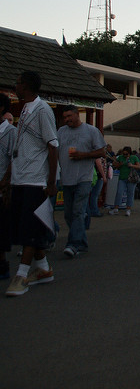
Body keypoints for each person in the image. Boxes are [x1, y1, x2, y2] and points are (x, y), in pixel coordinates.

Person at [6, 71, 58, 296]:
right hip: (21, 178)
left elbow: (53, 146)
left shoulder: (42, 109)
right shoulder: (25, 109)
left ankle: (22, 275)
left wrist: (51, 181)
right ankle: (44, 270)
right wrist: (9, 178)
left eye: (17, 83)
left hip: (36, 180)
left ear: (25, 86)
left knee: (29, 229)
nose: (14, 86)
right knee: (24, 227)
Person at [57, 105, 106, 258]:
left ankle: (73, 244)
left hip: (84, 178)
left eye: (69, 116)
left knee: (78, 211)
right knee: (68, 214)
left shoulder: (91, 131)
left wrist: (83, 155)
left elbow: (102, 151)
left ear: (78, 115)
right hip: (66, 178)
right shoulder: (61, 132)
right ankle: (82, 242)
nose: (67, 120)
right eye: (65, 117)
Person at [0, 94, 16, 280]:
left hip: (3, 188)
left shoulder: (11, 132)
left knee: (1, 228)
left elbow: (15, 158)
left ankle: (2, 264)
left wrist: (5, 181)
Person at [109, 146, 140, 216]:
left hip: (131, 178)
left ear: (130, 153)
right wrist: (119, 164)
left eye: (126, 154)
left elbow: (138, 166)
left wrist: (132, 165)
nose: (125, 155)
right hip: (122, 178)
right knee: (119, 192)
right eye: (124, 154)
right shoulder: (120, 157)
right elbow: (115, 165)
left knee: (130, 193)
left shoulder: (134, 157)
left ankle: (128, 209)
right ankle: (116, 208)